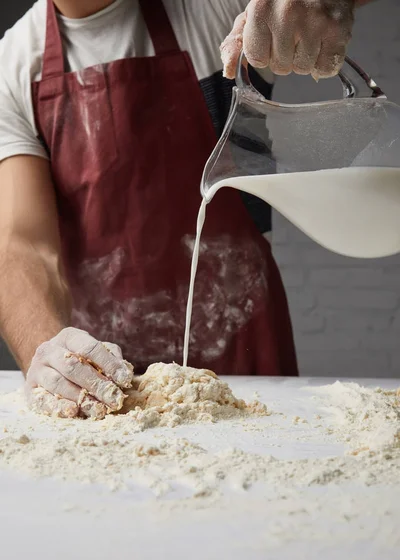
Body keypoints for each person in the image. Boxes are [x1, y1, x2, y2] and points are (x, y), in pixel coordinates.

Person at [0, 0, 372, 419]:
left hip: (247, 357)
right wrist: (48, 350)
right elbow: (23, 244)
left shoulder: (212, 8)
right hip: (100, 378)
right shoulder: (13, 65)